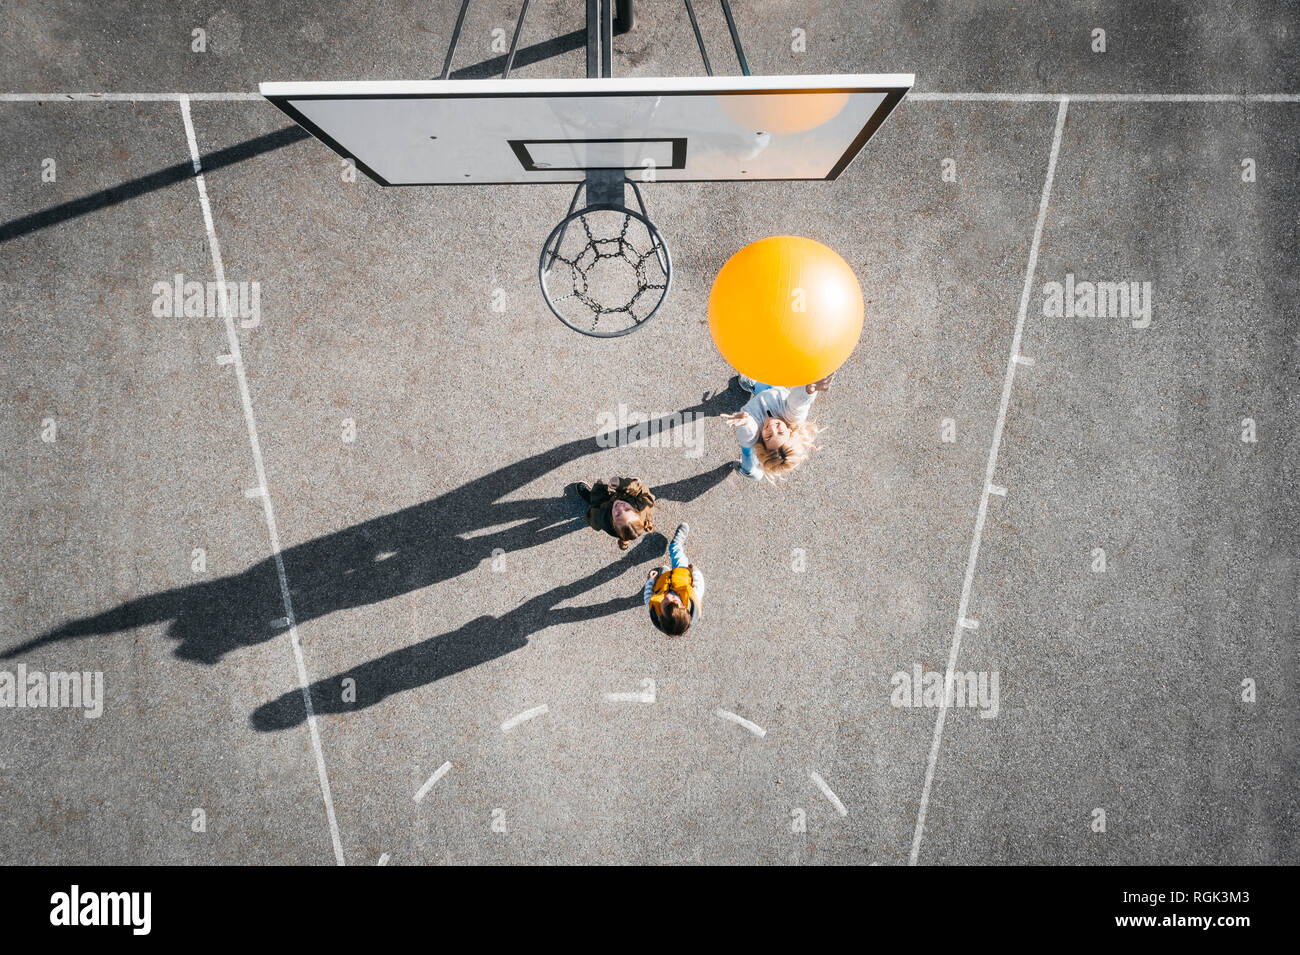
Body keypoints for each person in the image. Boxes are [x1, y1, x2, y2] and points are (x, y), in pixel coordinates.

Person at [721, 373, 833, 481]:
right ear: (790, 432)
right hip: (771, 395)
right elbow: (798, 404)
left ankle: (749, 472)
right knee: (769, 388)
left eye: (768, 436)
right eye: (780, 432)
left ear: (762, 442)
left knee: (749, 455)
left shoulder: (755, 438)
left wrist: (746, 423)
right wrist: (809, 389)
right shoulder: (793, 417)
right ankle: (754, 386)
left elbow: (749, 435)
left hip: (760, 408)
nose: (772, 427)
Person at [643, 523, 703, 637]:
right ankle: (676, 543)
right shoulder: (693, 598)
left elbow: (647, 596)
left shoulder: (653, 608)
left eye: (665, 603)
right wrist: (695, 571)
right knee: (675, 550)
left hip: (663, 583)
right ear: (685, 607)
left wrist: (651, 581)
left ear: (660, 615)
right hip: (682, 575)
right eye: (675, 600)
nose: (669, 597)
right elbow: (699, 583)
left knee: (663, 574)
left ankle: (664, 572)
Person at [574, 477, 656, 550]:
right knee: (633, 486)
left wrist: (598, 488)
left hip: (606, 504)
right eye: (627, 509)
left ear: (614, 524)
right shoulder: (644, 506)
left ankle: (590, 496)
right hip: (625, 495)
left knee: (597, 502)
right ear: (636, 512)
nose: (620, 506)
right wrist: (623, 485)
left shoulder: (603, 519)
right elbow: (643, 491)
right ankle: (631, 484)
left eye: (618, 514)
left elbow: (593, 516)